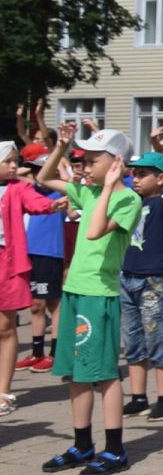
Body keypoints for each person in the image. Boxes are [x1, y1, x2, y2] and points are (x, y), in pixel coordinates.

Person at [36, 126, 146, 475]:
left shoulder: (127, 200)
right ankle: (82, 443)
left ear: (115, 163)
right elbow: (44, 176)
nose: (84, 166)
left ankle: (115, 449)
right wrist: (61, 147)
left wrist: (112, 186)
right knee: (75, 371)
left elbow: (96, 230)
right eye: (82, 159)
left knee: (104, 374)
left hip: (100, 296)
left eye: (92, 160)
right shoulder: (90, 191)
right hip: (75, 291)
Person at [121, 152, 163, 422]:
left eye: (142, 174)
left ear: (160, 179)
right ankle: (138, 397)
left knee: (155, 337)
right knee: (132, 340)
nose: (135, 179)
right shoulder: (129, 202)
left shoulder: (161, 203)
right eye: (134, 174)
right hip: (126, 277)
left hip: (152, 280)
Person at [1, 143, 60, 412]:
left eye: (16, 161)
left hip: (8, 263)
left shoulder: (18, 189)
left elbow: (37, 203)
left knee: (6, 327)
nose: (15, 166)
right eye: (8, 161)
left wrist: (54, 204)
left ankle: (4, 392)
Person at [21, 139, 68, 374]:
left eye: (44, 169)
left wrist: (59, 163)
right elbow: (20, 174)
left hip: (50, 251)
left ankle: (55, 353)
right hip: (29, 251)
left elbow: (72, 196)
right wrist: (30, 166)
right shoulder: (27, 190)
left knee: (53, 303)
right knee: (35, 305)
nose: (40, 174)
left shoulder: (61, 190)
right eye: (36, 169)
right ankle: (36, 352)